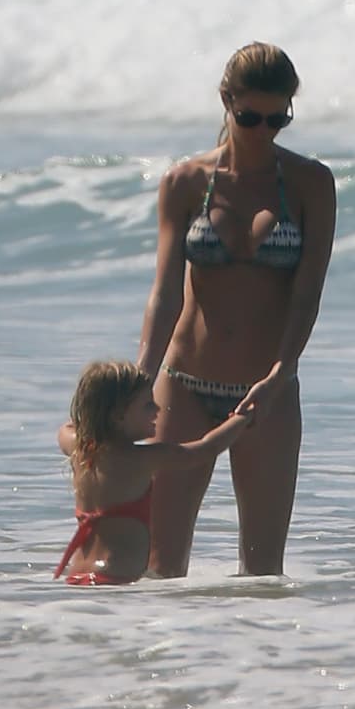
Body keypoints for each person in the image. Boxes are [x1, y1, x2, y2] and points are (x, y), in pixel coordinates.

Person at [137, 42, 337, 577]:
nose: (262, 131)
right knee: (161, 568)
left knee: (263, 573)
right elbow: (165, 294)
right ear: (226, 101)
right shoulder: (186, 182)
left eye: (278, 119)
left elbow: (307, 292)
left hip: (266, 394)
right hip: (184, 386)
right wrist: (138, 382)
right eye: (250, 118)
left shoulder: (310, 184)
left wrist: (280, 373)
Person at [54, 361, 252, 585]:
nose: (157, 410)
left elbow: (65, 429)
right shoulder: (142, 458)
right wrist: (242, 418)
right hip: (115, 578)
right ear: (118, 416)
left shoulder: (78, 450)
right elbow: (205, 449)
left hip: (78, 574)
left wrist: (94, 414)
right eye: (148, 405)